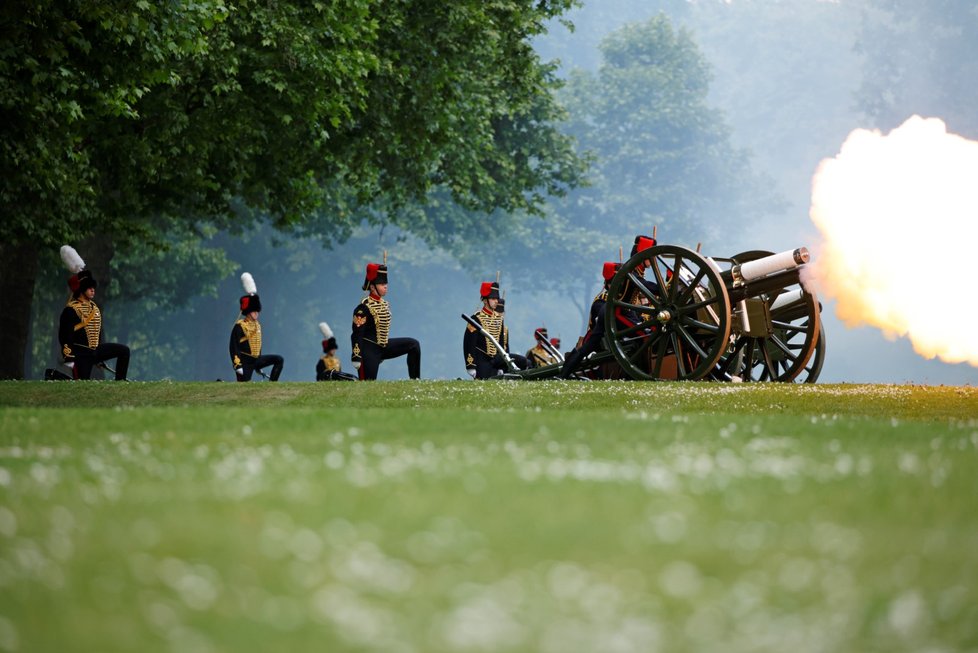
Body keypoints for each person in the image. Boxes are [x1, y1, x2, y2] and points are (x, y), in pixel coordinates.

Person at [57, 246, 130, 381]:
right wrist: (69, 358)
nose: (92, 290)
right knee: (81, 385)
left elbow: (96, 333)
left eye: (93, 287)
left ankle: (120, 382)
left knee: (124, 351)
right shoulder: (70, 310)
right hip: (80, 354)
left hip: (95, 351)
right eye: (88, 288)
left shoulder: (94, 307)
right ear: (81, 290)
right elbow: (65, 336)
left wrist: (98, 357)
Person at [351, 262, 421, 380]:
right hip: (369, 350)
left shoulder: (384, 304)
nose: (385, 286)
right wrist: (356, 356)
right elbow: (357, 334)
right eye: (382, 284)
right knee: (368, 385)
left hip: (383, 346)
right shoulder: (362, 309)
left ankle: (415, 380)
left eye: (386, 284)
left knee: (413, 345)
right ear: (373, 287)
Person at [560, 262, 619, 379]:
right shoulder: (601, 301)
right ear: (610, 284)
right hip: (598, 337)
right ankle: (563, 375)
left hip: (613, 336)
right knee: (583, 351)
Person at [229, 272, 284, 381]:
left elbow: (257, 345)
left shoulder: (258, 325)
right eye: (253, 311)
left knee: (279, 359)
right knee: (243, 386)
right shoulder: (240, 326)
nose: (256, 313)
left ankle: (272, 384)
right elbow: (233, 348)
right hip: (245, 361)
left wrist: (259, 365)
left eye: (257, 311)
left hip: (256, 359)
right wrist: (238, 366)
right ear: (248, 311)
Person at [463, 281, 512, 379]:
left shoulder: (499, 318)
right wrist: (471, 365)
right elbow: (469, 343)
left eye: (497, 298)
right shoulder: (476, 318)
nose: (496, 301)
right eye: (493, 298)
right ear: (485, 300)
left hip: (496, 362)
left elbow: (501, 343)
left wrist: (502, 365)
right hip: (481, 361)